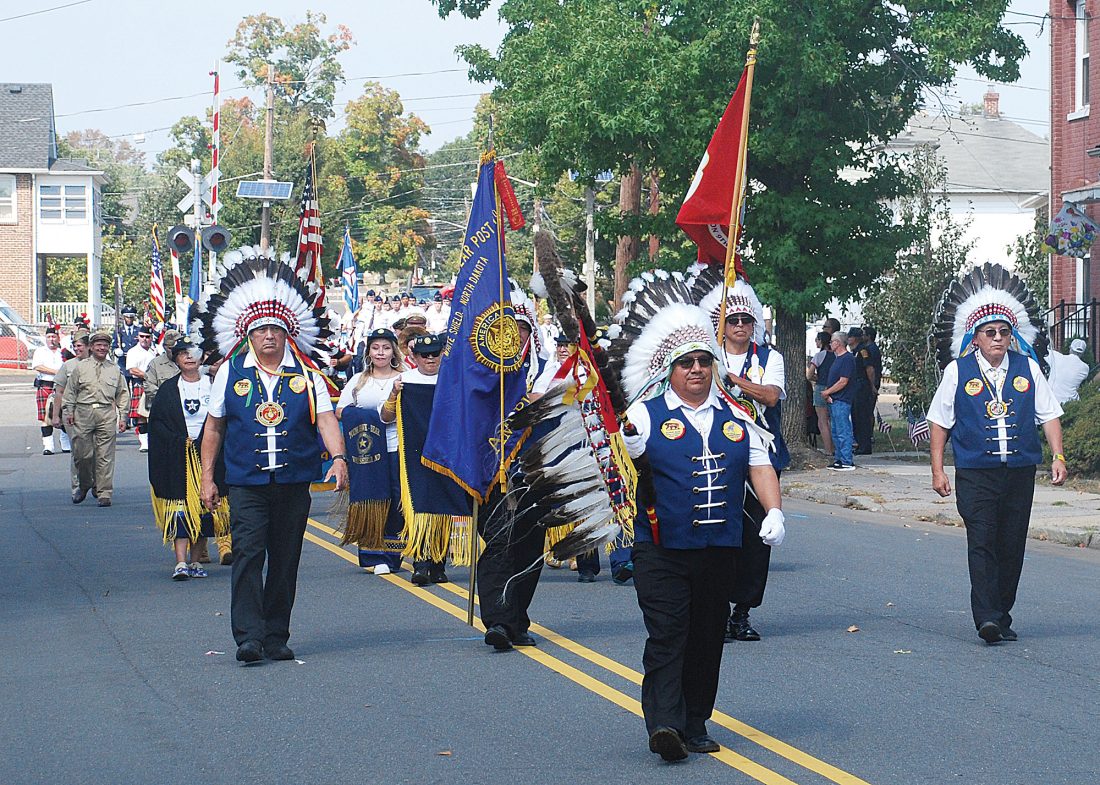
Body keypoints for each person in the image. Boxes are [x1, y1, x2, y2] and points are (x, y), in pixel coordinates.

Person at [619, 304, 784, 762]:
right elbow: (617, 468)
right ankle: (665, 725)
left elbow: (759, 463)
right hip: (661, 547)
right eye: (686, 363)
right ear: (670, 369)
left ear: (714, 365)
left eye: (703, 361)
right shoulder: (644, 414)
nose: (696, 369)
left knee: (707, 635)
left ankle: (695, 722)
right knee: (669, 632)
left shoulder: (737, 413)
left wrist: (773, 511)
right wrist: (628, 448)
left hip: (719, 547)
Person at [196, 249, 348, 664]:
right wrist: (209, 478)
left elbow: (326, 419)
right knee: (248, 553)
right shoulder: (230, 372)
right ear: (249, 334)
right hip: (246, 482)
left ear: (287, 335)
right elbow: (214, 428)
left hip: (294, 481)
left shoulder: (307, 374)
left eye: (275, 330)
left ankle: (276, 634)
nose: (268, 336)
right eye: (261, 330)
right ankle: (248, 636)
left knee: (285, 558)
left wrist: (338, 458)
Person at [927, 264, 1066, 645]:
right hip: (976, 473)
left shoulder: (1028, 368)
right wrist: (938, 470)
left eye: (1005, 331)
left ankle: (1002, 613)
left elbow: (1050, 414)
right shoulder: (958, 372)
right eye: (990, 332)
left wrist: (1058, 456)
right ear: (976, 337)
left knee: (1011, 544)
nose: (999, 338)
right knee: (983, 541)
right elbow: (939, 423)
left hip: (1019, 471)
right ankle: (986, 617)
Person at [699, 278, 789, 643]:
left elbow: (770, 395)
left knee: (755, 540)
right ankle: (715, 611)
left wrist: (733, 379)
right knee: (719, 535)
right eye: (732, 320)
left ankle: (743, 612)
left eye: (745, 320)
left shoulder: (771, 358)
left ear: (754, 325)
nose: (739, 326)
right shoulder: (707, 357)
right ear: (722, 324)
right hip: (717, 455)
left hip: (761, 455)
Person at [148, 336, 231, 580]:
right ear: (176, 359)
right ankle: (180, 562)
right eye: (183, 353)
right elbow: (158, 423)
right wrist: (178, 441)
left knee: (205, 508)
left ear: (203, 356)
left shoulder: (214, 385)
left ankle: (196, 561)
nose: (189, 356)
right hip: (178, 458)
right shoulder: (168, 389)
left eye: (193, 352)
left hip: (209, 456)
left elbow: (226, 418)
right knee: (180, 509)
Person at [379, 332, 457, 585]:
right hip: (414, 453)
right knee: (418, 505)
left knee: (444, 504)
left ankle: (439, 562)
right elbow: (385, 417)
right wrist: (393, 394)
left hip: (446, 452)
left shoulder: (451, 381)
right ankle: (421, 562)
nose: (431, 358)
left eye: (435, 353)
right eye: (425, 355)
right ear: (415, 357)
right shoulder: (404, 381)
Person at [336, 327, 404, 573]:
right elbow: (340, 410)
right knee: (370, 499)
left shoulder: (404, 376)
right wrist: (367, 416)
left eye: (386, 348)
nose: (381, 353)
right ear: (369, 352)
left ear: (393, 351)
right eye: (376, 348)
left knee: (395, 501)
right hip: (366, 451)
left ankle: (393, 555)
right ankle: (373, 555)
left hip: (397, 448)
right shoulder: (358, 379)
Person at [61, 330, 130, 507]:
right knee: (82, 455)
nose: (102, 348)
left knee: (105, 456)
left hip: (106, 413)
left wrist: (124, 416)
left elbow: (122, 394)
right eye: (98, 345)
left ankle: (104, 492)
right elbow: (70, 392)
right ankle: (85, 484)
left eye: (105, 345)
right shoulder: (80, 368)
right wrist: (69, 412)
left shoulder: (114, 369)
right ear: (91, 347)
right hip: (83, 413)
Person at [51, 330, 89, 492]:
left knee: (94, 452)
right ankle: (77, 486)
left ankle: (95, 482)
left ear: (89, 347)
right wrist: (55, 416)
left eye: (80, 346)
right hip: (71, 413)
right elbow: (59, 392)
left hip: (92, 413)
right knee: (78, 452)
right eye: (75, 346)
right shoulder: (68, 366)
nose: (77, 349)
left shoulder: (97, 364)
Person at [821, 331, 855, 471]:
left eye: (832, 341)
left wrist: (828, 391)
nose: (830, 344)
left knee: (843, 430)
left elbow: (843, 381)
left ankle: (847, 460)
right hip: (833, 400)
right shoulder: (837, 358)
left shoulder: (847, 359)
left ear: (839, 343)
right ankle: (839, 459)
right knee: (835, 431)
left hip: (842, 400)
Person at [31, 326, 66, 455]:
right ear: (45, 338)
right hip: (45, 385)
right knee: (45, 417)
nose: (51, 339)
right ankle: (48, 446)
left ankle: (65, 442)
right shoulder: (40, 351)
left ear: (58, 338)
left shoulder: (63, 352)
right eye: (49, 337)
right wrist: (56, 372)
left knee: (64, 414)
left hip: (61, 386)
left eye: (53, 337)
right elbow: (38, 366)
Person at [125, 326, 158, 452]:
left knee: (154, 413)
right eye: (142, 336)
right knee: (142, 415)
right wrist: (147, 376)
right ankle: (144, 442)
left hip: (155, 384)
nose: (144, 339)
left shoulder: (154, 351)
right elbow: (132, 369)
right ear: (138, 337)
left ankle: (152, 440)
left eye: (147, 337)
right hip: (141, 384)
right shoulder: (133, 351)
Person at [846, 327, 875, 455]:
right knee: (856, 416)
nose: (848, 339)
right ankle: (859, 443)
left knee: (862, 416)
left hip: (862, 385)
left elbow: (869, 369)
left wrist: (872, 385)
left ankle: (865, 445)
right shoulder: (854, 352)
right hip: (855, 386)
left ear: (855, 338)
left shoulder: (863, 351)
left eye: (850, 337)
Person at [807, 331, 834, 456]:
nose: (816, 342)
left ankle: (828, 449)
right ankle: (837, 447)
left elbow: (809, 374)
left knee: (822, 421)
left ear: (821, 341)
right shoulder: (836, 355)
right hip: (835, 387)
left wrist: (817, 378)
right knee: (834, 419)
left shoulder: (818, 356)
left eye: (817, 340)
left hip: (821, 387)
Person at [1046, 338, 1090, 404]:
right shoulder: (1085, 368)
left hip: (1052, 401)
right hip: (1071, 403)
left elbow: (1043, 351)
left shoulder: (1057, 357)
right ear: (1083, 353)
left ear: (1070, 348)